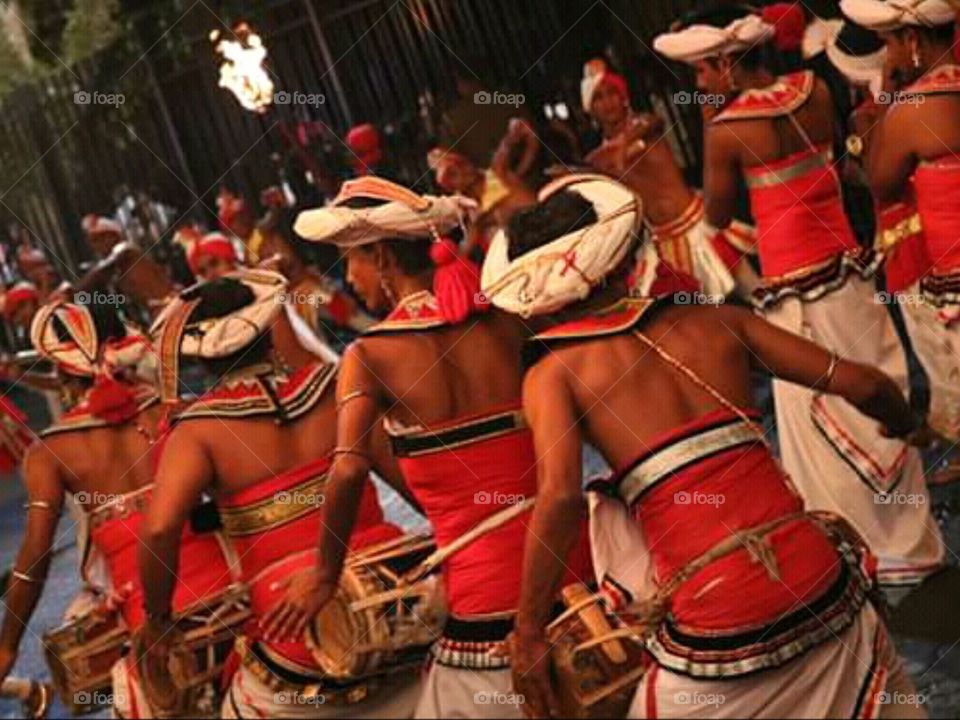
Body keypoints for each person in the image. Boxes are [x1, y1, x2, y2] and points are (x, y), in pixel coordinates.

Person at [481, 174, 925, 719]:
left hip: (719, 614)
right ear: (622, 259)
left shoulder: (553, 375)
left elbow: (560, 500)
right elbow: (867, 385)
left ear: (535, 295)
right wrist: (903, 423)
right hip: (826, 585)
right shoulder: (721, 322)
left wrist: (527, 635)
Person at [268, 176, 594, 719]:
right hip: (581, 580)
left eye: (353, 261)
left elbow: (348, 472)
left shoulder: (369, 357)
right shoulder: (511, 323)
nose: (349, 278)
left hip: (488, 617)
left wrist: (326, 572)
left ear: (381, 254)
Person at [661, 6, 944, 592]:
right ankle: (913, 545)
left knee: (821, 425)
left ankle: (865, 553)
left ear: (723, 65)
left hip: (792, 298)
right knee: (876, 391)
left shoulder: (726, 130)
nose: (699, 87)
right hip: (852, 277)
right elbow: (845, 157)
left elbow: (715, 214)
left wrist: (715, 122)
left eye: (702, 74)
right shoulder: (816, 89)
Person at [141, 269, 422, 719]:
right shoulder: (337, 385)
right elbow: (413, 484)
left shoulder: (197, 433)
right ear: (269, 327)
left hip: (294, 634)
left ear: (201, 355)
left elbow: (158, 530)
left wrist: (157, 620)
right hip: (397, 604)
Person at [0, 298, 236, 718]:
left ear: (59, 367)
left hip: (152, 628)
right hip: (236, 601)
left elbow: (33, 559)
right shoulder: (176, 411)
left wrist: (7, 646)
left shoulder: (50, 452)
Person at [846, 0, 960, 447]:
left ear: (912, 41)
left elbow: (879, 181)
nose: (886, 54)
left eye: (889, 42)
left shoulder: (914, 108)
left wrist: (888, 100)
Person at [582, 58, 758, 299]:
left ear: (624, 97)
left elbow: (650, 125)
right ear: (589, 109)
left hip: (699, 227)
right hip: (665, 246)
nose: (607, 102)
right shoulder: (597, 159)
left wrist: (624, 145)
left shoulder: (647, 124)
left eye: (612, 93)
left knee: (757, 294)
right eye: (598, 98)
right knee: (705, 321)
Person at [73, 214, 178, 320]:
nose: (94, 246)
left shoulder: (125, 250)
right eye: (92, 241)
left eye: (98, 239)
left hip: (168, 307)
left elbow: (99, 273)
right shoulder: (117, 264)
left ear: (113, 235)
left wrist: (72, 292)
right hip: (158, 311)